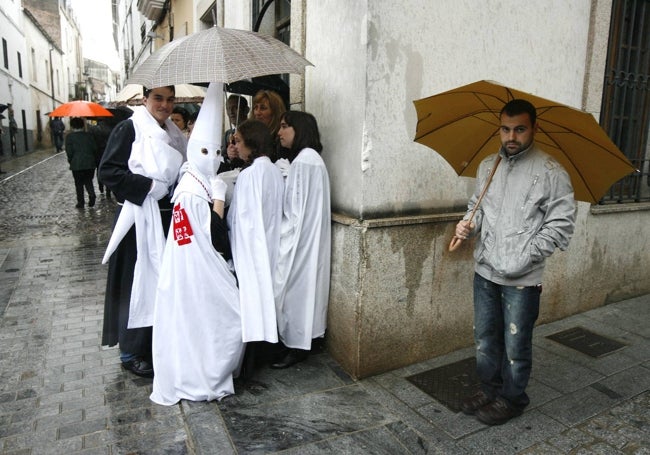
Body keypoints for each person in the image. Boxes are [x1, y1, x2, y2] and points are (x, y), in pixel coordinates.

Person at [455, 99, 575, 425]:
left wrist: (526, 256)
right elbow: (477, 208)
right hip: (485, 271)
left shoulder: (552, 172)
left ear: (534, 128)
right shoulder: (486, 166)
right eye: (506, 129)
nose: (511, 136)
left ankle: (512, 398)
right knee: (485, 339)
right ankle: (489, 389)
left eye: (519, 129)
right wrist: (468, 224)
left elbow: (561, 224)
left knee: (515, 345)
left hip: (522, 279)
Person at [151, 82, 244, 405]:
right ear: (192, 149)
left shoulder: (196, 178)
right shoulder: (191, 190)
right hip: (197, 272)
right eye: (206, 151)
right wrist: (219, 198)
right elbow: (212, 237)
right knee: (227, 315)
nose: (213, 158)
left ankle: (214, 371)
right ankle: (203, 375)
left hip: (201, 269)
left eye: (217, 152)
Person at [99, 85, 186, 378]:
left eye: (170, 99)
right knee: (133, 284)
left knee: (159, 283)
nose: (165, 104)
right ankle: (130, 351)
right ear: (145, 99)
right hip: (136, 218)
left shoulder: (174, 134)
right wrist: (148, 187)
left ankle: (152, 344)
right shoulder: (129, 128)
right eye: (158, 98)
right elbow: (109, 171)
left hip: (163, 220)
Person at [271, 111, 331, 369]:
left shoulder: (304, 162)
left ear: (300, 130)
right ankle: (304, 340)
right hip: (309, 237)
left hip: (300, 240)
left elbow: (293, 211)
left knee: (293, 291)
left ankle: (295, 345)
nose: (279, 132)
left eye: (285, 126)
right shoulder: (311, 160)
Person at [227, 119, 284, 373]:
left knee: (252, 299)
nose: (235, 146)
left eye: (238, 141)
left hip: (250, 246)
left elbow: (242, 218)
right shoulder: (271, 170)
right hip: (269, 242)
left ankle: (252, 355)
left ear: (252, 142)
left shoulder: (250, 174)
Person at [65, 117, 98, 208]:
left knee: (78, 183)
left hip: (77, 164)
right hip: (90, 163)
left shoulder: (70, 137)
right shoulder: (89, 136)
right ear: (83, 125)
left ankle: (81, 202)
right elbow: (95, 148)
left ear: (72, 126)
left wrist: (71, 160)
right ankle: (91, 194)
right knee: (88, 180)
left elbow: (69, 152)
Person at [250, 90, 287, 161]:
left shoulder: (281, 139)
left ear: (275, 112)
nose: (257, 113)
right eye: (255, 108)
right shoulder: (250, 137)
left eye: (263, 108)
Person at [221, 95, 250, 171]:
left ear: (246, 110)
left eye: (235, 108)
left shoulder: (254, 132)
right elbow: (222, 157)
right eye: (228, 109)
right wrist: (228, 155)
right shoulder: (228, 134)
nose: (231, 112)